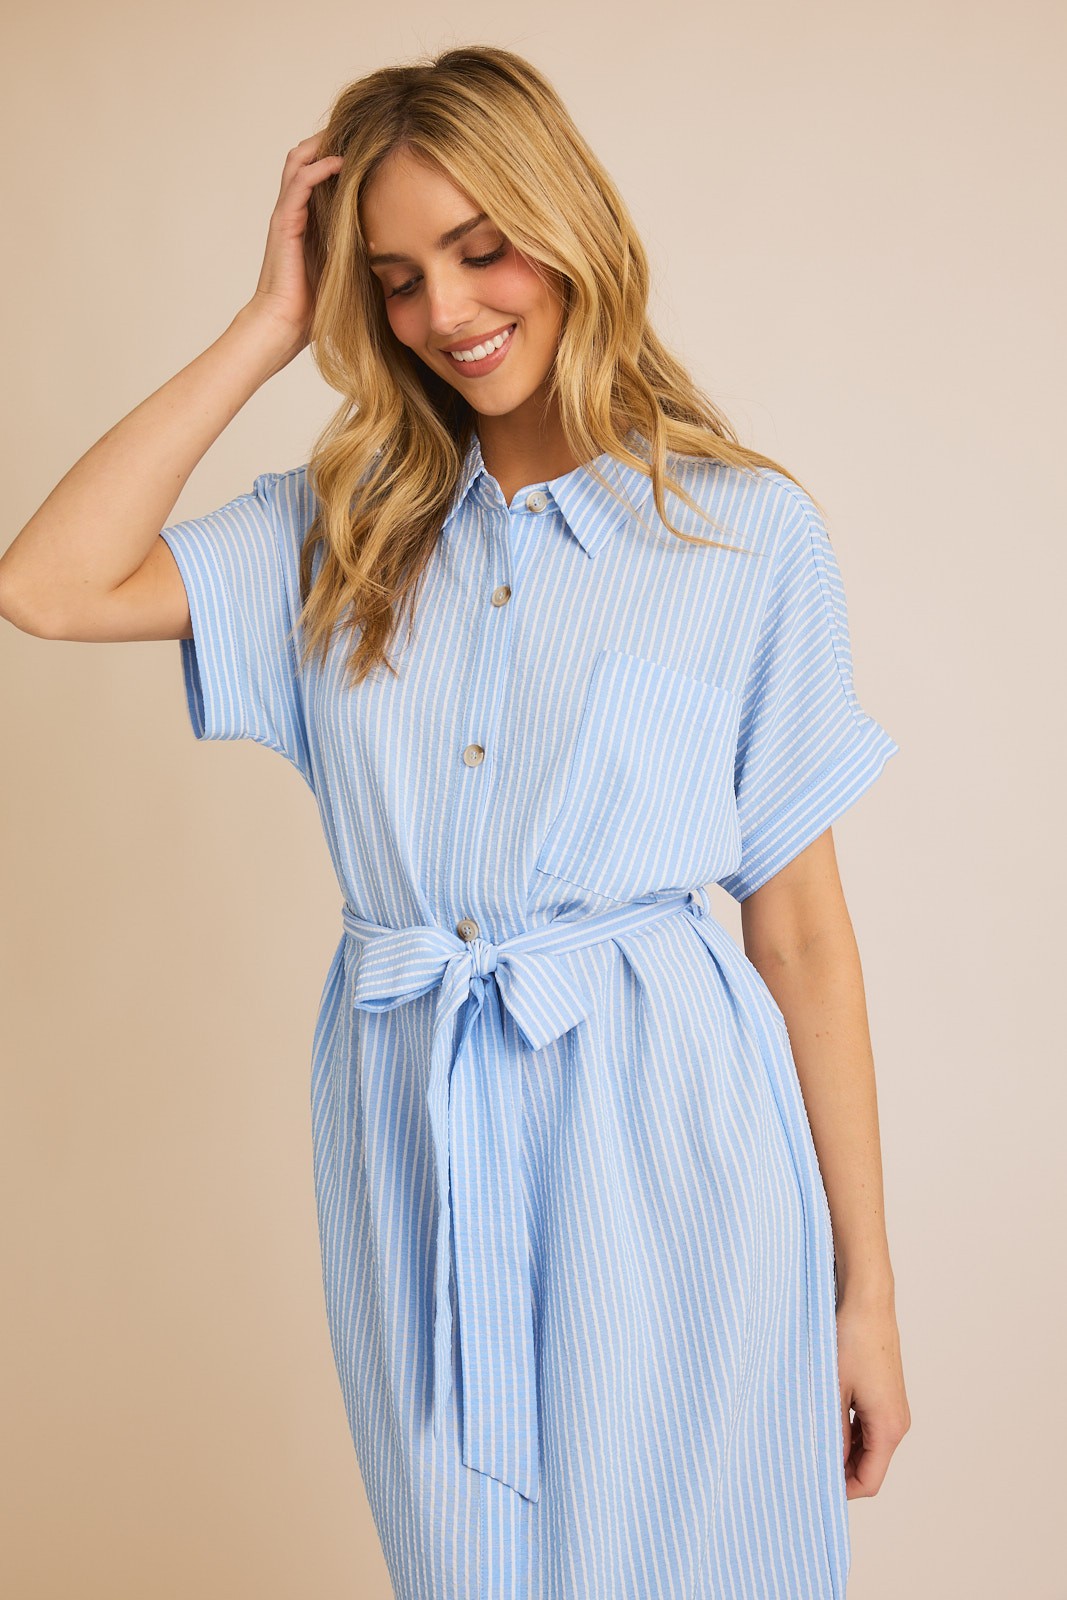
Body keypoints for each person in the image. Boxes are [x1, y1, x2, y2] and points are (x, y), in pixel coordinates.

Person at [0, 43, 910, 1600]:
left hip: (672, 1129)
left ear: (569, 227)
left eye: (483, 249)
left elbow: (803, 931)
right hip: (416, 1117)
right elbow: (46, 584)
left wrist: (866, 1293)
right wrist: (270, 327)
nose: (447, 311)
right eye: (397, 277)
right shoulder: (336, 536)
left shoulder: (744, 535)